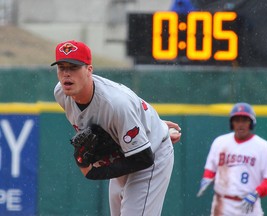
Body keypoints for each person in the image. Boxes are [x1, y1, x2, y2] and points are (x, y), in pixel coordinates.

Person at [51, 40, 181, 216]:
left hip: (151, 156)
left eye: (73, 67)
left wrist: (93, 172)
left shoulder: (115, 104)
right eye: (61, 67)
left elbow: (143, 158)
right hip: (124, 154)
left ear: (89, 70)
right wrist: (148, 124)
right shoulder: (61, 92)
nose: (66, 74)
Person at [196, 102, 267, 216]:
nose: (241, 124)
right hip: (222, 203)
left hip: (249, 205)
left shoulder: (263, 146)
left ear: (251, 122)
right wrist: (207, 177)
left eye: (245, 120)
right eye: (237, 120)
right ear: (232, 123)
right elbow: (211, 168)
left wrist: (257, 192)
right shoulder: (220, 142)